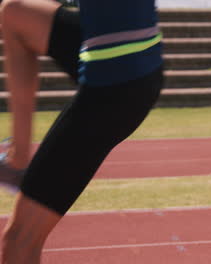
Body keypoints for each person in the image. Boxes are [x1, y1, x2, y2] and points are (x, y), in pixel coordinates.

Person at [0, 0, 164, 262]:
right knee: (15, 13)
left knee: (19, 241)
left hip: (115, 87)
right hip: (133, 60)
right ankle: (18, 162)